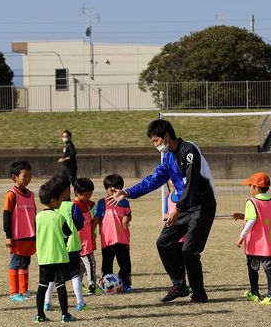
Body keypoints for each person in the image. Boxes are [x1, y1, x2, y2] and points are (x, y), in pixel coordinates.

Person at [108, 119, 216, 304]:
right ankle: (179, 285)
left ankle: (199, 293)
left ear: (166, 136)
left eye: (155, 140)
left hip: (202, 205)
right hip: (184, 207)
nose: (154, 144)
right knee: (164, 242)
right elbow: (155, 179)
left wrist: (178, 209)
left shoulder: (189, 150)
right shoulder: (167, 157)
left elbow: (191, 183)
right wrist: (128, 192)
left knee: (189, 251)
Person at [232, 172, 271, 306]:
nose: (249, 189)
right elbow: (262, 218)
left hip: (256, 242)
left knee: (252, 268)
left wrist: (241, 237)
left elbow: (252, 220)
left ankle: (255, 293)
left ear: (257, 188)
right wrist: (244, 216)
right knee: (270, 269)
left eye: (251, 186)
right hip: (270, 243)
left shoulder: (251, 202)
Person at [34, 175, 77, 323]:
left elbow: (36, 235)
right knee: (60, 285)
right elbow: (67, 234)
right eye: (59, 199)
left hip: (44, 258)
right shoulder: (59, 218)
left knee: (42, 285)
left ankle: (40, 315)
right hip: (59, 257)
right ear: (53, 200)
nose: (61, 202)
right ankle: (65, 314)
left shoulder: (37, 218)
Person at [43, 178, 89, 312]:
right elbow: (80, 224)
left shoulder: (50, 208)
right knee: (75, 274)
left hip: (56, 248)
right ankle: (80, 303)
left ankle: (47, 303)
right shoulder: (72, 206)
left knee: (53, 276)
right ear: (67, 191)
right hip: (72, 246)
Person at [3, 161, 37, 301]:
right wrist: (8, 236)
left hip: (29, 235)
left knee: (25, 263)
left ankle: (23, 290)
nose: (28, 178)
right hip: (17, 236)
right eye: (25, 176)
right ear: (14, 177)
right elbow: (6, 215)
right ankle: (14, 293)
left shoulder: (31, 194)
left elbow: (34, 215)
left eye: (30, 175)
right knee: (15, 263)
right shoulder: (11, 194)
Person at [94, 174, 133, 293]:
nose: (113, 191)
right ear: (106, 189)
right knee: (107, 264)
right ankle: (105, 285)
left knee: (125, 264)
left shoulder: (125, 202)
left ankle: (126, 283)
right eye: (111, 189)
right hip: (108, 240)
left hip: (123, 239)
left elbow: (129, 214)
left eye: (116, 189)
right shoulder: (102, 202)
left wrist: (127, 217)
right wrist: (91, 232)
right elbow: (96, 218)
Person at [73, 178, 102, 296]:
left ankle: (79, 287)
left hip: (87, 241)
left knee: (81, 266)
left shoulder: (87, 204)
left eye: (90, 194)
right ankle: (92, 286)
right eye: (86, 195)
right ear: (76, 193)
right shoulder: (74, 207)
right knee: (90, 263)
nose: (89, 197)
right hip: (81, 243)